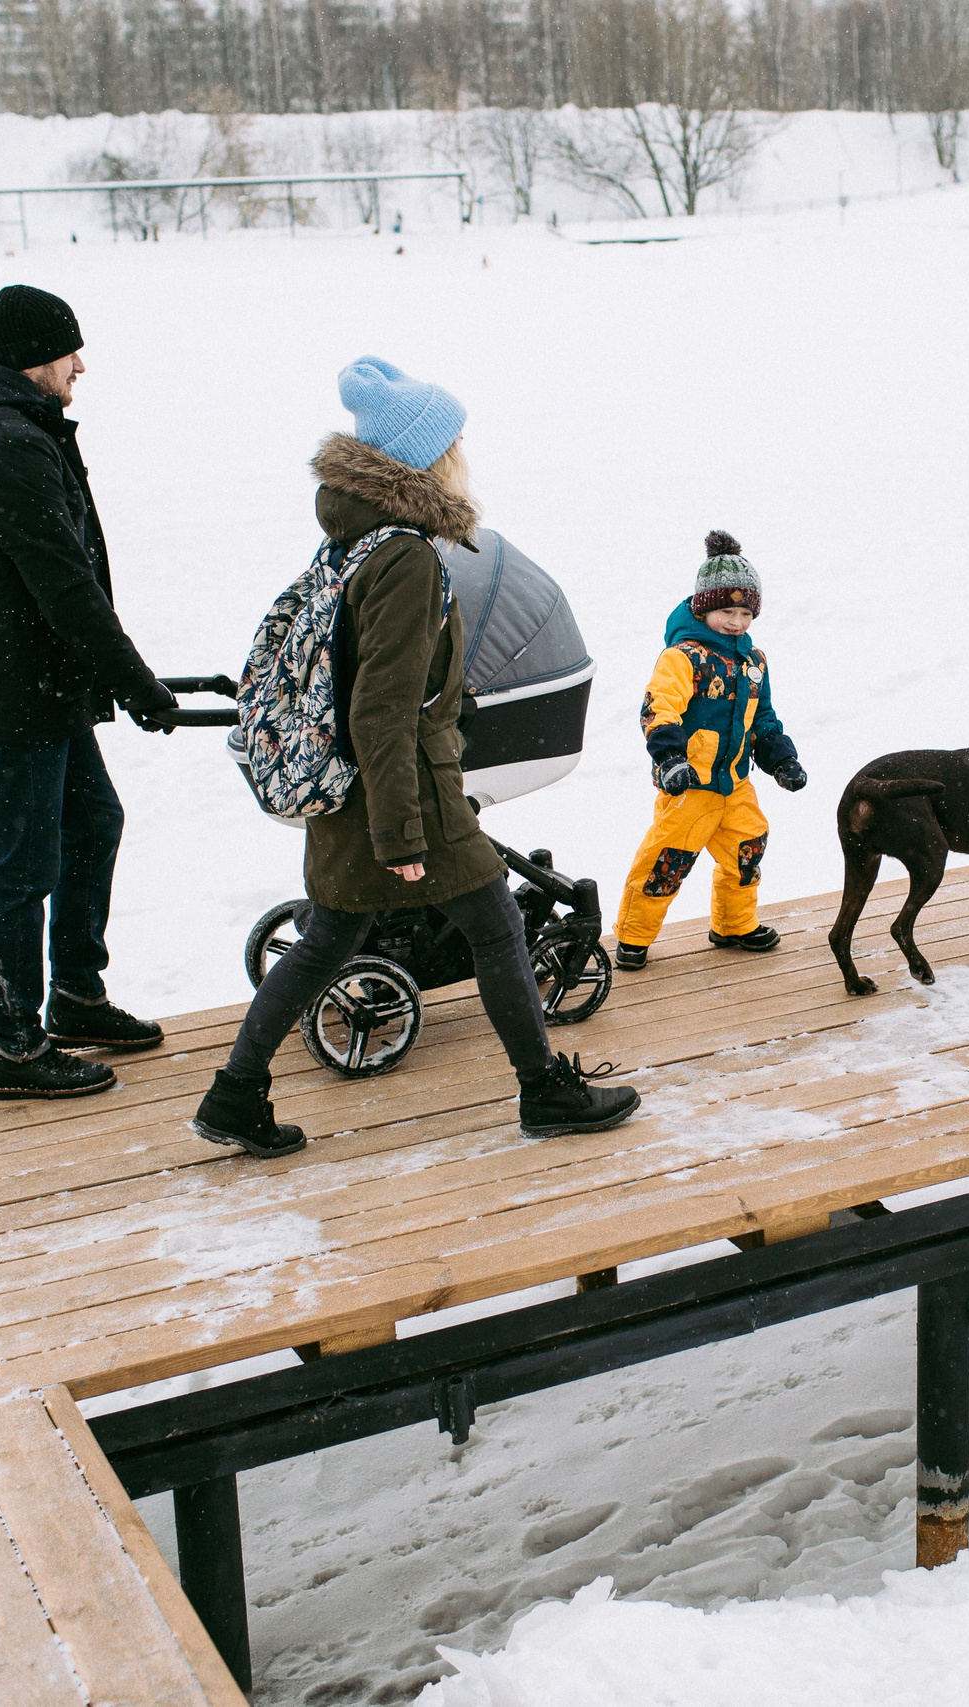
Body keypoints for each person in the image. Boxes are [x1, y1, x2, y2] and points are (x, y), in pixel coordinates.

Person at [190, 356, 640, 1155]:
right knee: (499, 926)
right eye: (455, 441)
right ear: (430, 457)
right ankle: (544, 1093)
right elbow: (381, 709)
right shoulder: (405, 557)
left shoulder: (353, 541)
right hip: (406, 794)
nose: (465, 452)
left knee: (328, 937)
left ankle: (233, 1095)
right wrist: (400, 835)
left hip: (351, 788)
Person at [0, 284, 181, 1101]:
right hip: (14, 692)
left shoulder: (13, 428)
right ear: (37, 357)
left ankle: (75, 992)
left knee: (91, 822)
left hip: (41, 681)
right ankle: (16, 1042)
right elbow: (64, 585)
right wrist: (136, 684)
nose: (81, 364)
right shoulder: (1, 444)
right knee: (21, 865)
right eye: (71, 350)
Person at [614, 532, 806, 972]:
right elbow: (659, 710)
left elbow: (764, 719)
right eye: (726, 611)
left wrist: (781, 759)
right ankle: (634, 935)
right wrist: (671, 759)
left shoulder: (754, 662)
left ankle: (734, 925)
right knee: (666, 863)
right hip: (691, 788)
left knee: (747, 852)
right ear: (703, 608)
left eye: (744, 613)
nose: (736, 622)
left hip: (735, 786)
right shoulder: (683, 657)